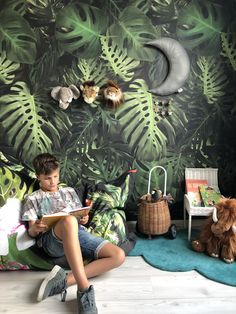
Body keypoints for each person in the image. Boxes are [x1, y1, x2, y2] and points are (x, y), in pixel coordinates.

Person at [21, 153, 125, 314]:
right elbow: (32, 231)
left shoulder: (68, 192)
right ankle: (84, 291)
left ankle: (64, 281)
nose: (53, 181)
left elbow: (79, 216)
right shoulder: (32, 199)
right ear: (38, 176)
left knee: (118, 255)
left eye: (56, 176)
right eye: (48, 178)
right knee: (69, 221)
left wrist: (84, 218)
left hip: (77, 233)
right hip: (51, 241)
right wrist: (37, 227)